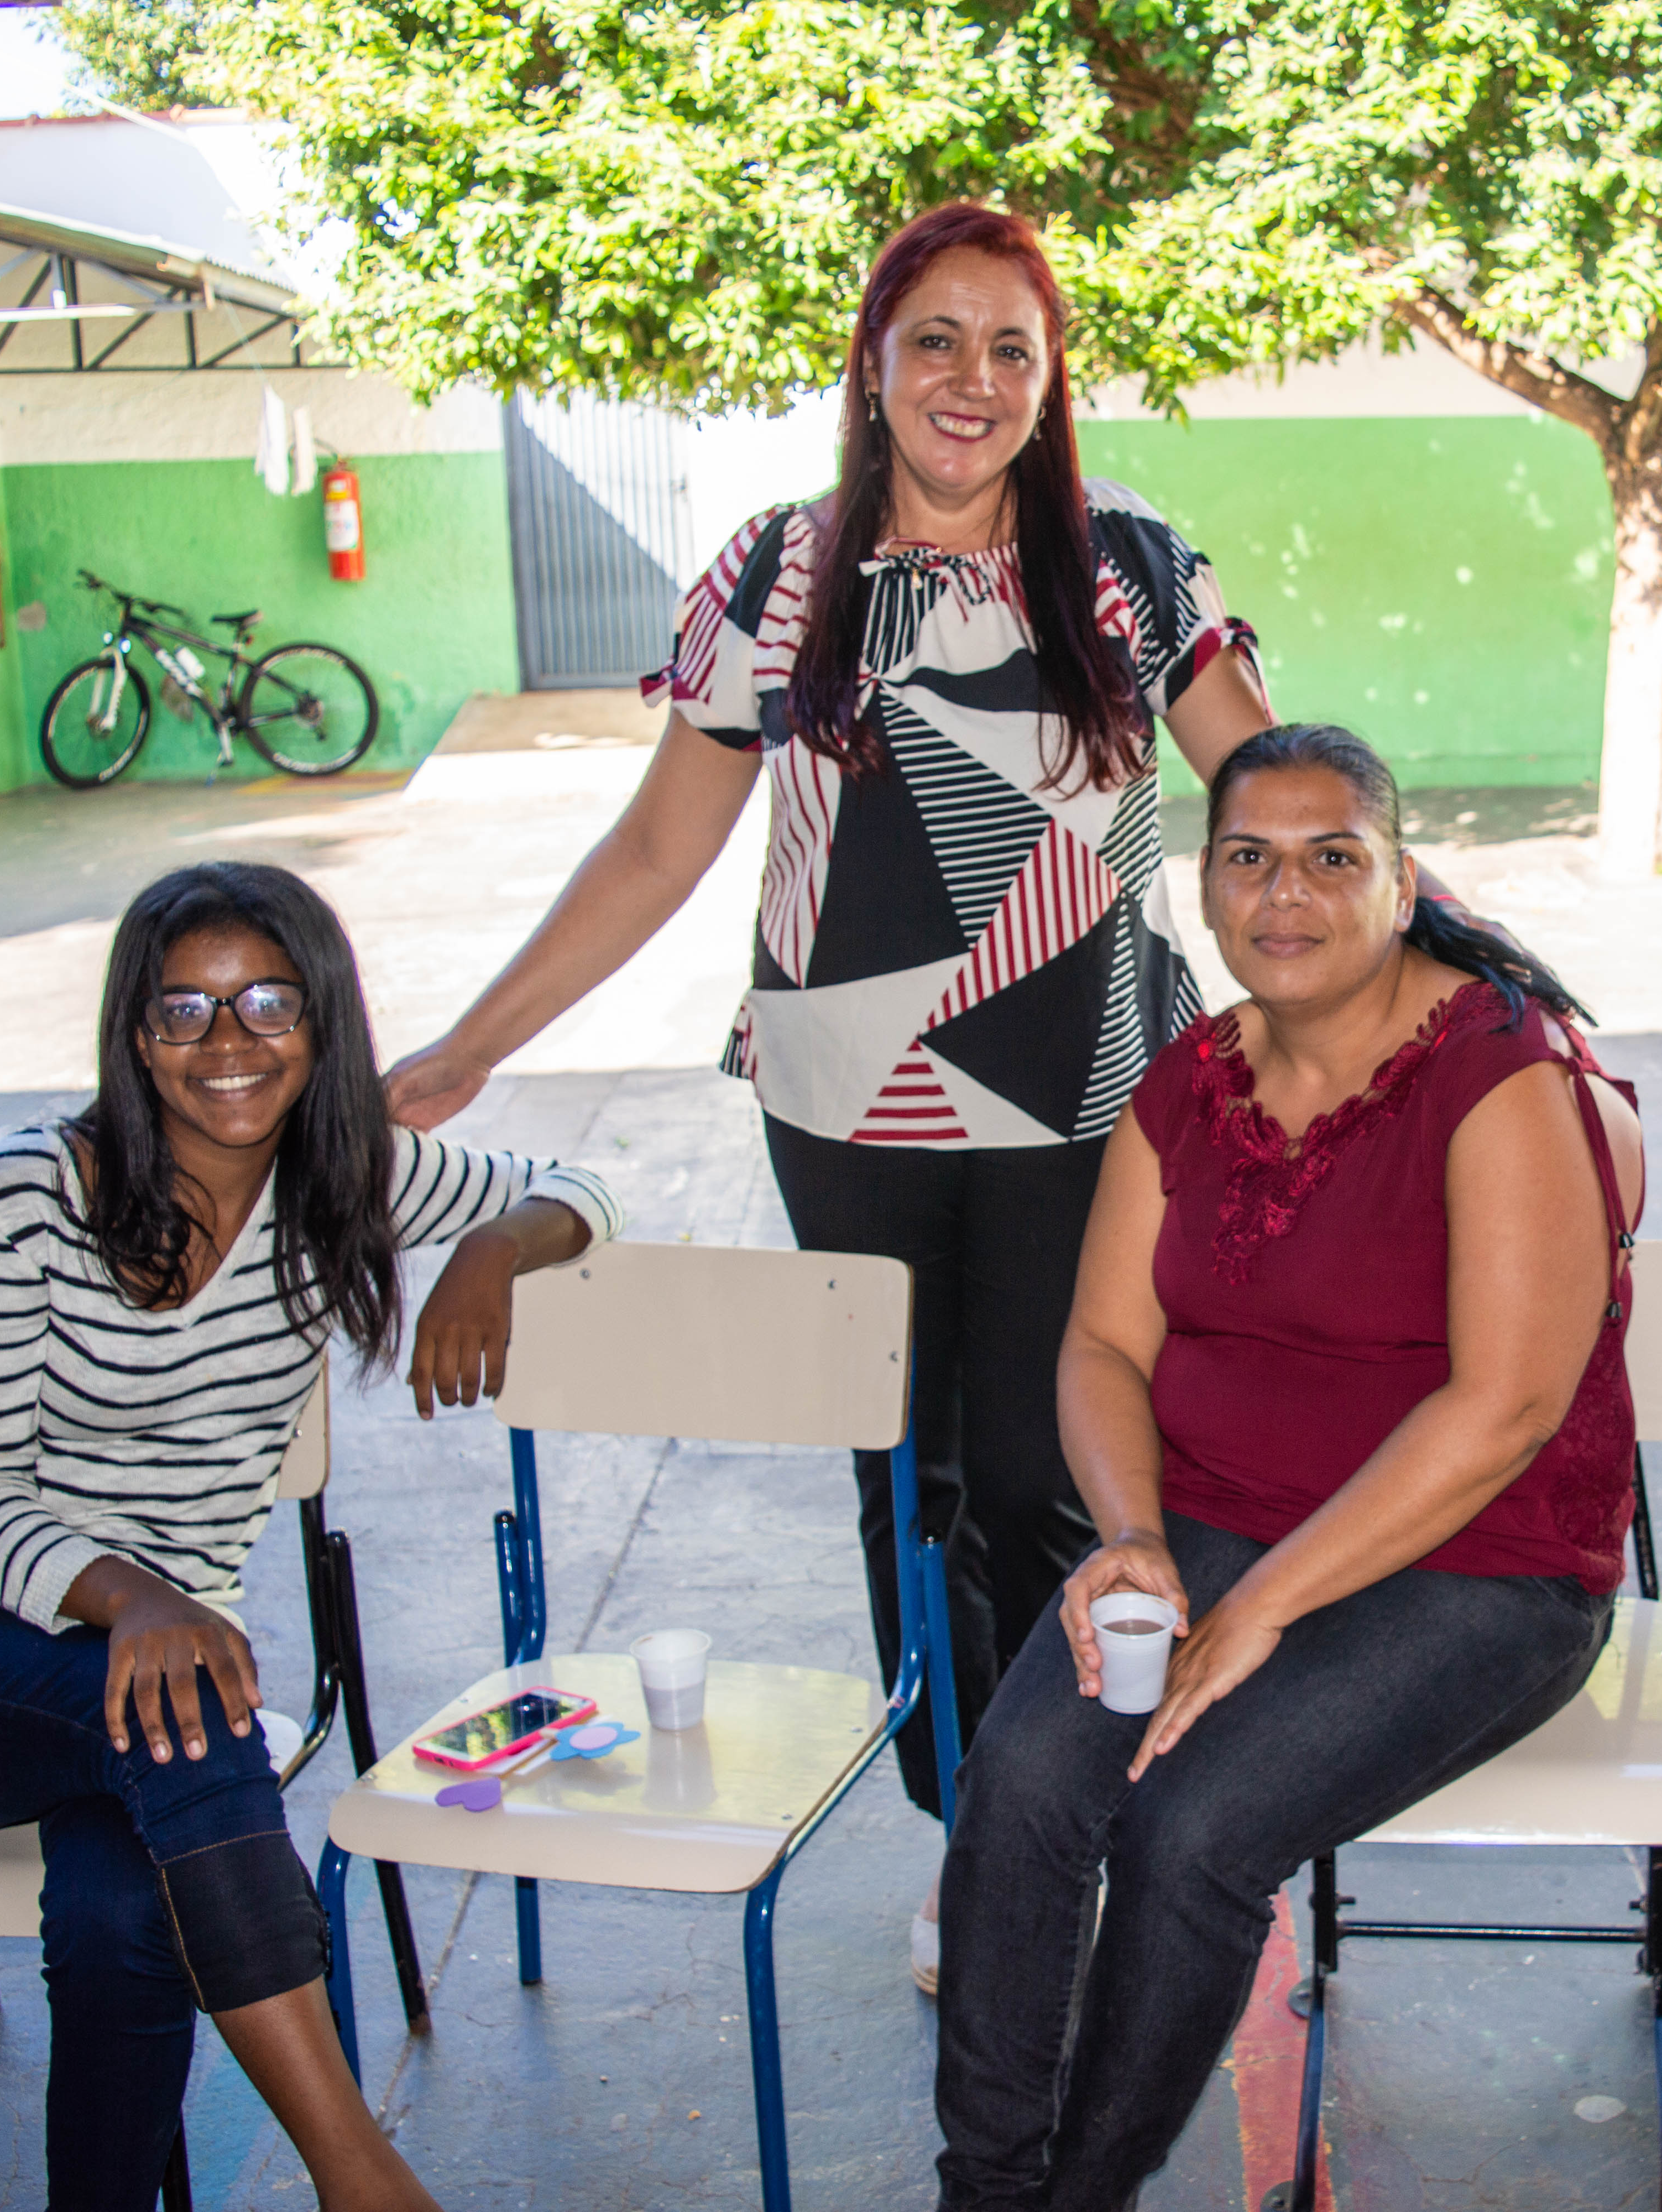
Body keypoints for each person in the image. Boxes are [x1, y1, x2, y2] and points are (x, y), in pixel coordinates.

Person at [385, 206, 1277, 1985]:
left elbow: (1277, 795)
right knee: (915, 1484)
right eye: (936, 340)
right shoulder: (777, 578)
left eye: (1010, 348)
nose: (972, 380)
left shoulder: (1127, 569)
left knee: (1053, 1472)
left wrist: (1435, 966)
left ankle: (1063, 1817)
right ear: (873, 364)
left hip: (1089, 1105)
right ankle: (976, 1844)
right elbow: (659, 845)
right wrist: (476, 1042)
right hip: (845, 1112)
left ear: (1050, 381)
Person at [929, 723, 1645, 2210]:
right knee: (1021, 1784)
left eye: (1336, 858)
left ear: (1401, 879)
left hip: (1482, 1566)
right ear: (1204, 883)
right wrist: (1133, 1538)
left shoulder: (1498, 1071)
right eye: (1249, 858)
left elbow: (1506, 1409)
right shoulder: (1189, 1078)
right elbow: (1103, 1350)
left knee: (1193, 1829)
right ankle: (986, 2189)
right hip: (1208, 1525)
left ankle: (1082, 2197)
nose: (1287, 895)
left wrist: (1257, 1609)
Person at [0, 862, 621, 2212]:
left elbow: (584, 1182)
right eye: (183, 1009)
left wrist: (494, 1245)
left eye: (266, 1000)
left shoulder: (342, 1180)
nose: (227, 1043)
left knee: (123, 1914)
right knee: (197, 1718)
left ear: (322, 1020)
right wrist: (132, 1595)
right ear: (130, 1033)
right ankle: (358, 2170)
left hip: (155, 1694)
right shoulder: (23, 1192)